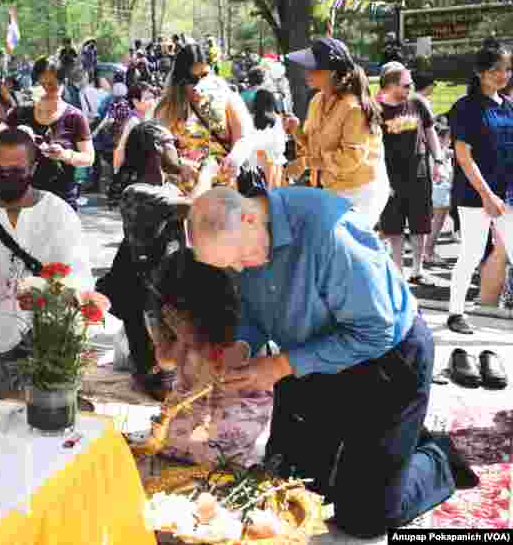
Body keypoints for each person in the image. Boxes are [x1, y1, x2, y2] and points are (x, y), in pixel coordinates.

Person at [188, 187, 472, 538]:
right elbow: (252, 307)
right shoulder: (245, 240)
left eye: (238, 258)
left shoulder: (327, 231)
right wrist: (243, 347)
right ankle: (386, 444)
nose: (237, 268)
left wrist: (279, 367)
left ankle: (436, 455)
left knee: (363, 517)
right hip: (308, 358)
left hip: (384, 359)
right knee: (288, 491)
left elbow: (375, 331)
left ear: (248, 217)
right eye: (228, 265)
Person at [0, 128, 91, 399]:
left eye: (16, 171)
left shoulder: (58, 214)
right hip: (2, 333)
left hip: (52, 335)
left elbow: (80, 278)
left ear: (33, 169)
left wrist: (46, 295)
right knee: (3, 414)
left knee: (50, 416)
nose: (6, 178)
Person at [109, 121, 215, 399]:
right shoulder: (136, 192)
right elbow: (194, 208)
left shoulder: (168, 186)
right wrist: (206, 174)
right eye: (174, 144)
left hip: (175, 296)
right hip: (151, 304)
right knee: (164, 387)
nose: (179, 152)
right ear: (157, 147)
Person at [148, 248, 273, 467]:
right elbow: (166, 361)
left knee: (209, 447)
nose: (175, 316)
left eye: (184, 312)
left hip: (234, 403)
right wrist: (181, 337)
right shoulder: (176, 326)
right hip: (194, 402)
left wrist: (192, 337)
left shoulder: (237, 332)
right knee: (168, 436)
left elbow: (219, 377)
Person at [284, 37, 390, 225]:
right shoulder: (317, 101)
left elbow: (350, 159)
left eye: (313, 67)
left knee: (349, 249)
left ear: (331, 72)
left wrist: (306, 163)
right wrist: (296, 132)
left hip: (362, 191)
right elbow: (315, 147)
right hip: (334, 187)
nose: (306, 72)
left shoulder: (354, 108)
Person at [447, 41, 513, 334]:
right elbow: (463, 156)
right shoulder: (465, 107)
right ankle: (455, 312)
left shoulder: (509, 106)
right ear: (480, 72)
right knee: (471, 254)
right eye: (495, 69)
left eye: (507, 69)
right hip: (475, 195)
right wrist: (487, 195)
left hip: (507, 195)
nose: (503, 75)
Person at [154, 43, 254, 196]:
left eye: (205, 75)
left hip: (223, 195)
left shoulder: (227, 96)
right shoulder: (167, 108)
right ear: (180, 79)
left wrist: (235, 157)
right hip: (182, 200)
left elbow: (244, 137)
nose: (199, 85)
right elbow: (157, 149)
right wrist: (179, 164)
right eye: (192, 79)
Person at [377, 62, 444, 284]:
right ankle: (397, 272)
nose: (410, 89)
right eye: (406, 85)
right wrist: (381, 179)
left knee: (420, 224)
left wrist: (439, 160)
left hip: (419, 174)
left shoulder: (417, 103)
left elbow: (430, 131)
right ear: (391, 85)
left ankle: (417, 270)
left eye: (411, 84)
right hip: (390, 177)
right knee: (393, 227)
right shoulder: (375, 109)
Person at [6, 56, 94, 210]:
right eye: (41, 84)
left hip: (61, 201)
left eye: (52, 85)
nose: (46, 89)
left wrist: (65, 155)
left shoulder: (75, 117)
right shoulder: (20, 113)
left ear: (63, 83)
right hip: (25, 199)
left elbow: (88, 157)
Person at [111, 82, 159, 173]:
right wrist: (117, 171)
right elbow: (120, 147)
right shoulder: (133, 122)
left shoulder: (148, 117)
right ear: (135, 102)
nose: (152, 101)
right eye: (147, 98)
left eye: (153, 97)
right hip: (133, 169)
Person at [248, 89, 288, 190]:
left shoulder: (250, 119)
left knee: (264, 190)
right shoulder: (276, 118)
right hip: (275, 158)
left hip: (257, 159)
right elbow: (280, 142)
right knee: (276, 190)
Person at [425, 120, 453, 265]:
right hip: (440, 192)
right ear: (441, 138)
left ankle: (428, 251)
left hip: (438, 191)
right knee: (437, 224)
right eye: (448, 137)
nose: (450, 140)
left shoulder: (436, 151)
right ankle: (429, 252)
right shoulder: (439, 154)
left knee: (432, 223)